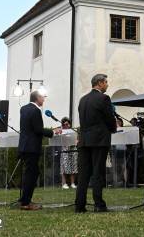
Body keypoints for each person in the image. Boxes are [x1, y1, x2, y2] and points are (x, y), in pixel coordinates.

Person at [75, 74, 118, 213]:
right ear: (99, 83)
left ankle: (79, 205)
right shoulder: (104, 98)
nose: (107, 84)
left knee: (83, 174)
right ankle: (99, 204)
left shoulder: (83, 99)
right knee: (98, 173)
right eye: (106, 82)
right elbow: (109, 118)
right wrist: (113, 129)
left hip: (84, 140)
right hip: (99, 140)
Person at [18, 90, 60, 210]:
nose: (44, 99)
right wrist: (53, 132)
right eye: (43, 97)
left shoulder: (24, 108)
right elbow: (37, 129)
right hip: (32, 147)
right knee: (32, 174)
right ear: (37, 98)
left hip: (24, 146)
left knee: (29, 174)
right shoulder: (36, 110)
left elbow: (31, 127)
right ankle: (26, 203)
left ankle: (24, 199)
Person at [59, 117, 78, 189]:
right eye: (65, 124)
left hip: (73, 151)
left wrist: (76, 141)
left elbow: (77, 139)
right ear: (62, 125)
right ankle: (64, 183)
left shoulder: (73, 131)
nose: (67, 126)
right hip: (64, 151)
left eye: (68, 124)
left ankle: (73, 183)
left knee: (73, 167)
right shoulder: (61, 132)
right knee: (64, 168)